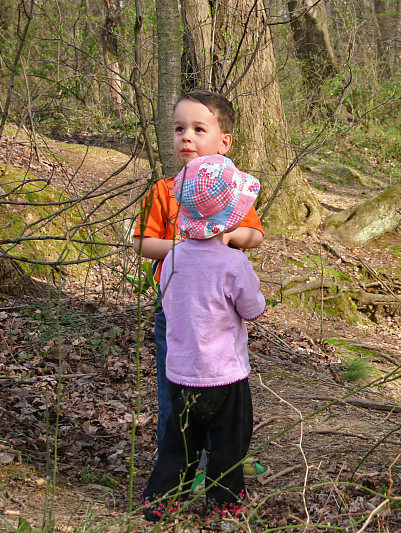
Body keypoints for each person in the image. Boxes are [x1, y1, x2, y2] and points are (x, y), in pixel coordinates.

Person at [131, 90, 264, 450]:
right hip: (174, 305)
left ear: (224, 141)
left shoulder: (233, 193)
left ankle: (218, 458)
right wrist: (187, 250)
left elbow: (254, 235)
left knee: (223, 383)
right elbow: (142, 242)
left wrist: (223, 233)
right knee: (173, 384)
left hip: (219, 306)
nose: (186, 136)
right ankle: (173, 465)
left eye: (198, 129)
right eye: (179, 128)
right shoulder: (165, 190)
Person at [140, 154, 266, 521]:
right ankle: (222, 509)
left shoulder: (174, 257)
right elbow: (252, 309)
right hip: (225, 376)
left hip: (180, 373)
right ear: (230, 217)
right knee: (228, 444)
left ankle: (159, 503)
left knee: (179, 444)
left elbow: (168, 300)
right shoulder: (233, 263)